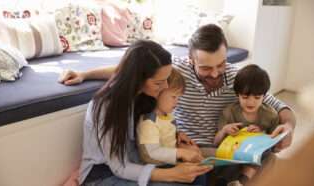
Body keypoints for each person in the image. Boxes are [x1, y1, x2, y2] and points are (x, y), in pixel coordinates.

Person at [59, 24, 296, 183]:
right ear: (190, 60)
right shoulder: (168, 76)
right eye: (205, 67)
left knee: (264, 157)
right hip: (124, 167)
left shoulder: (236, 77)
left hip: (204, 149)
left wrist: (288, 128)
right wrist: (85, 73)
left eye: (220, 64)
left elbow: (279, 106)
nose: (215, 74)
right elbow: (127, 69)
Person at [77, 40, 211, 186]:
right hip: (103, 174)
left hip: (137, 161)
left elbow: (120, 71)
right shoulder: (106, 106)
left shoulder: (145, 94)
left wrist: (176, 135)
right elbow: (119, 167)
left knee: (197, 174)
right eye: (158, 82)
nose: (165, 86)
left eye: (166, 79)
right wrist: (171, 174)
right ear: (138, 79)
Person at [213, 64, 281, 185]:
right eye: (245, 97)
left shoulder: (270, 115)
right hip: (234, 156)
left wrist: (262, 135)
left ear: (264, 96)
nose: (251, 102)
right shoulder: (229, 112)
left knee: (268, 155)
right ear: (237, 95)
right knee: (225, 164)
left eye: (257, 97)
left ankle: (242, 181)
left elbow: (275, 145)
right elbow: (216, 143)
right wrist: (224, 130)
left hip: (255, 157)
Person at [137, 69, 203, 166]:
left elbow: (166, 133)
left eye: (178, 97)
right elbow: (151, 154)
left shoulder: (167, 115)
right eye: (173, 97)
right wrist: (180, 153)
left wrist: (178, 134)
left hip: (171, 159)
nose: (177, 102)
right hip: (158, 166)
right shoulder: (149, 122)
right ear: (157, 93)